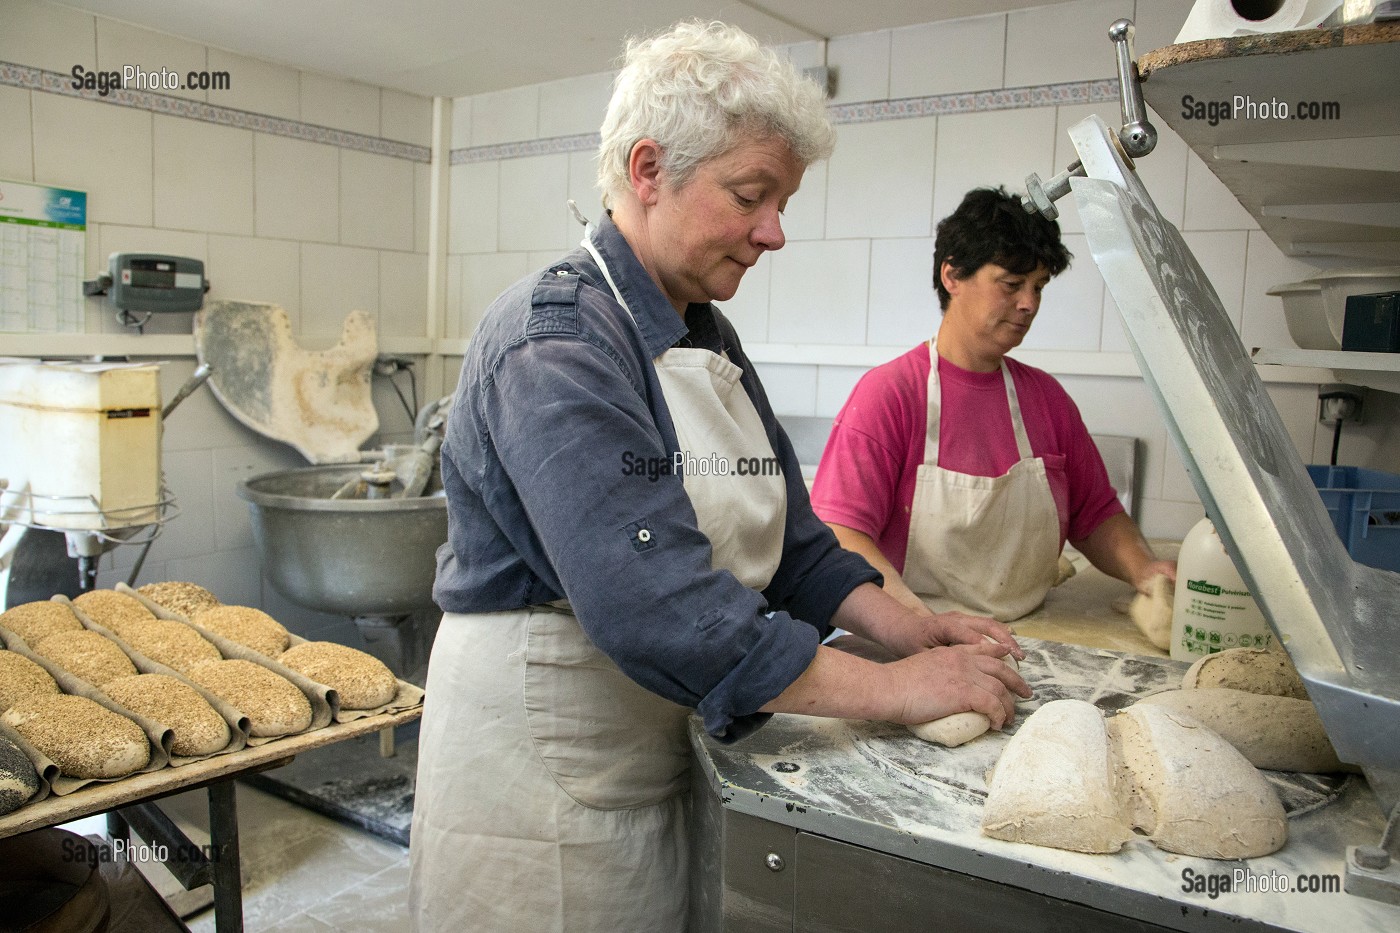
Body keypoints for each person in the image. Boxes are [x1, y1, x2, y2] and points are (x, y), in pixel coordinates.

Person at [408, 23, 1030, 933]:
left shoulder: (697, 326)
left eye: (782, 201)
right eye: (752, 195)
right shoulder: (558, 343)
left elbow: (794, 542)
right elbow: (660, 608)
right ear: (649, 168)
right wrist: (899, 691)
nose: (774, 233)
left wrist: (913, 630)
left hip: (652, 739)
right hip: (541, 760)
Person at [811, 186, 1176, 624]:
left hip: (1033, 637)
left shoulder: (1047, 400)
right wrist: (918, 625)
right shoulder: (889, 396)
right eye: (1011, 284)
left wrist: (1145, 569)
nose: (1029, 304)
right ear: (952, 277)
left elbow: (1095, 514)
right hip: (914, 637)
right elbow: (842, 535)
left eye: (1039, 287)